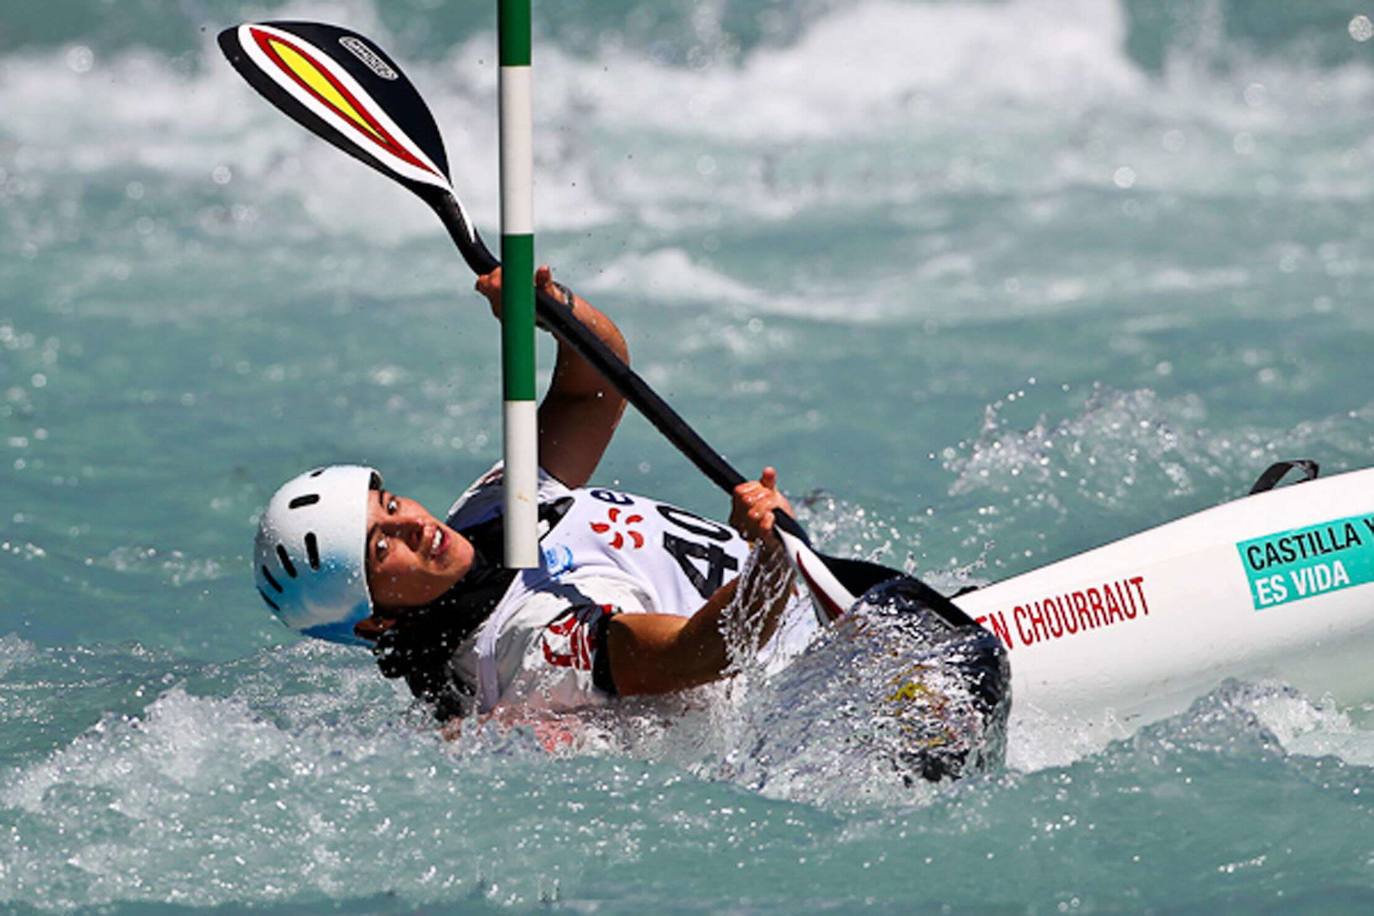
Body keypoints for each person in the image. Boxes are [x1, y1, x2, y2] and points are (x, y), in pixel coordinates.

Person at [253, 266, 813, 723]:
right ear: (375, 623)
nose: (412, 527)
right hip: (809, 692)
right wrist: (771, 559)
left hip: (822, 608)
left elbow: (594, 391)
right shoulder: (528, 650)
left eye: (392, 506)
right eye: (381, 548)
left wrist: (553, 312)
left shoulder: (490, 515)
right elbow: (699, 653)